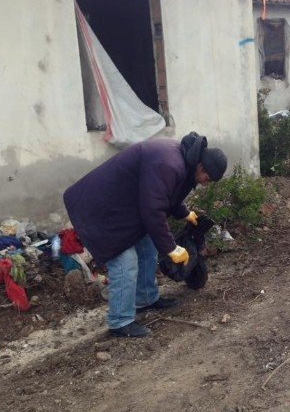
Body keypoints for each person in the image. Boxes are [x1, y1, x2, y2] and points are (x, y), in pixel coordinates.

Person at [63, 132, 227, 338]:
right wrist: (171, 247)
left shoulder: (184, 162)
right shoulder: (169, 163)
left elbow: (168, 195)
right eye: (207, 178)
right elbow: (153, 210)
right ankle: (120, 322)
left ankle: (146, 298)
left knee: (148, 247)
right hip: (100, 209)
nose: (205, 183)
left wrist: (185, 213)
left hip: (123, 208)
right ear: (201, 167)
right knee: (126, 261)